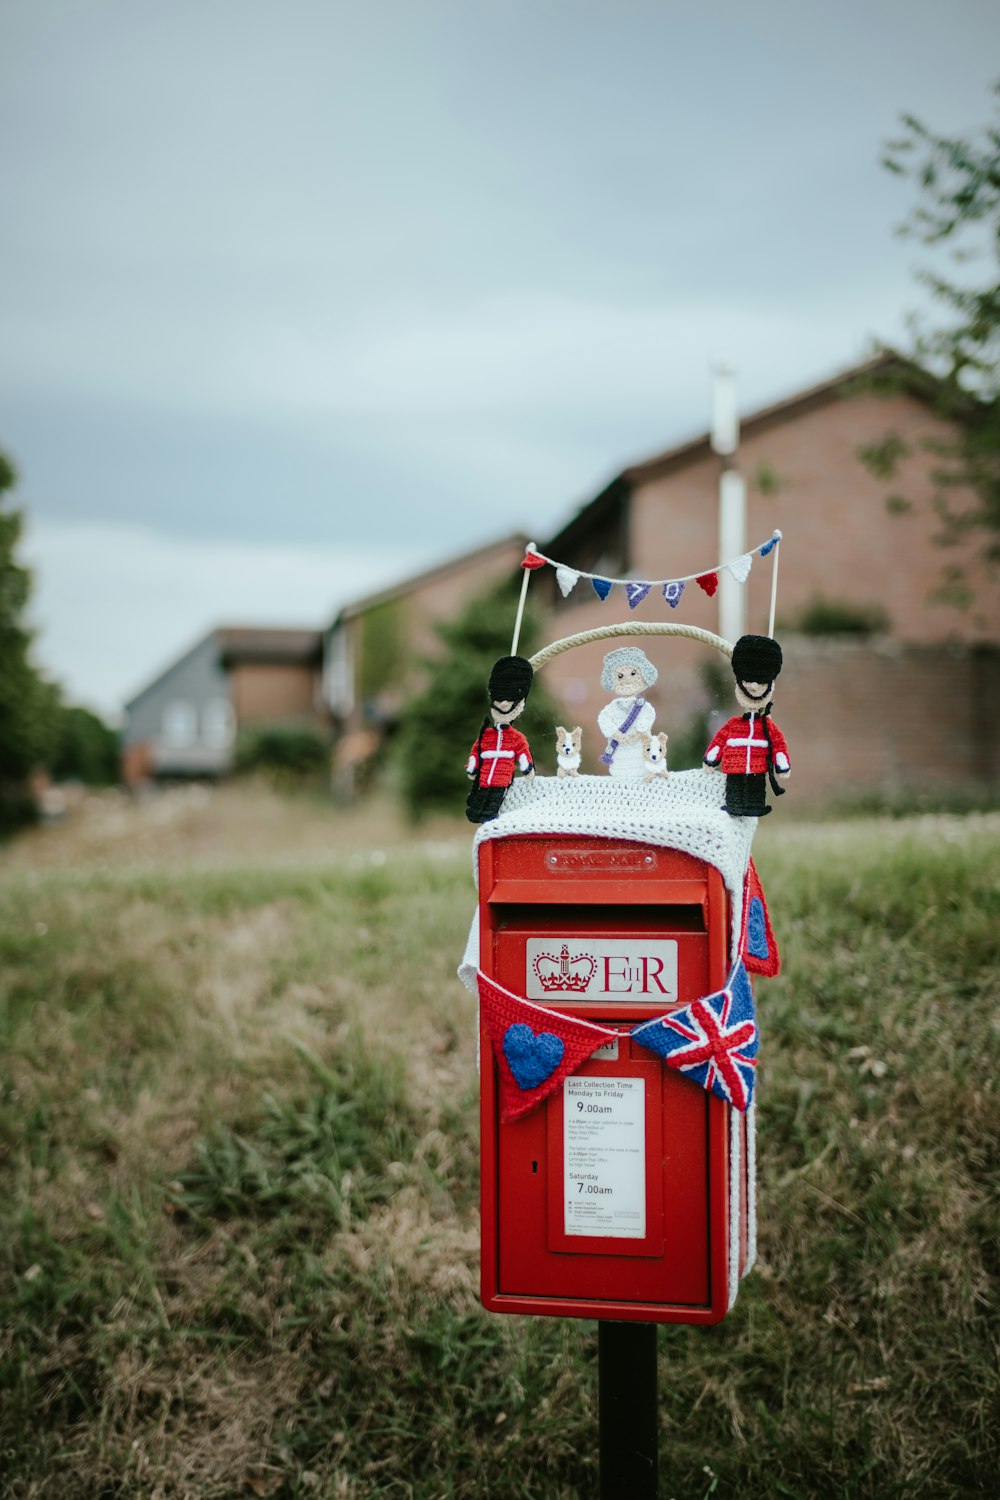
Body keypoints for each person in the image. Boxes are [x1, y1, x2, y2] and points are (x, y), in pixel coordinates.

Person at [703, 634, 790, 817]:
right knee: (734, 790)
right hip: (735, 766)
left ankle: (755, 806)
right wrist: (711, 758)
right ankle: (734, 805)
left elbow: (778, 745)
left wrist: (781, 764)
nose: (753, 687)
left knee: (756, 790)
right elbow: (720, 740)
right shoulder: (733, 724)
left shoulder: (768, 726)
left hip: (758, 767)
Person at [465, 655, 535, 823]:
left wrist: (527, 767)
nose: (503, 704)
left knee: (493, 807)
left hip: (501, 780)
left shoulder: (516, 737)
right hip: (484, 779)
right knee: (479, 803)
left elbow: (523, 753)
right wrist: (473, 765)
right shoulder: (486, 735)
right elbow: (477, 750)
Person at [597, 647, 659, 780]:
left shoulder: (643, 707)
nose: (627, 680)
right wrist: (615, 733)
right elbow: (603, 718)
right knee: (621, 766)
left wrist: (639, 731)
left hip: (640, 745)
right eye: (620, 676)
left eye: (633, 673)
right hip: (620, 748)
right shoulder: (612, 708)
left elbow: (648, 716)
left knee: (642, 763)